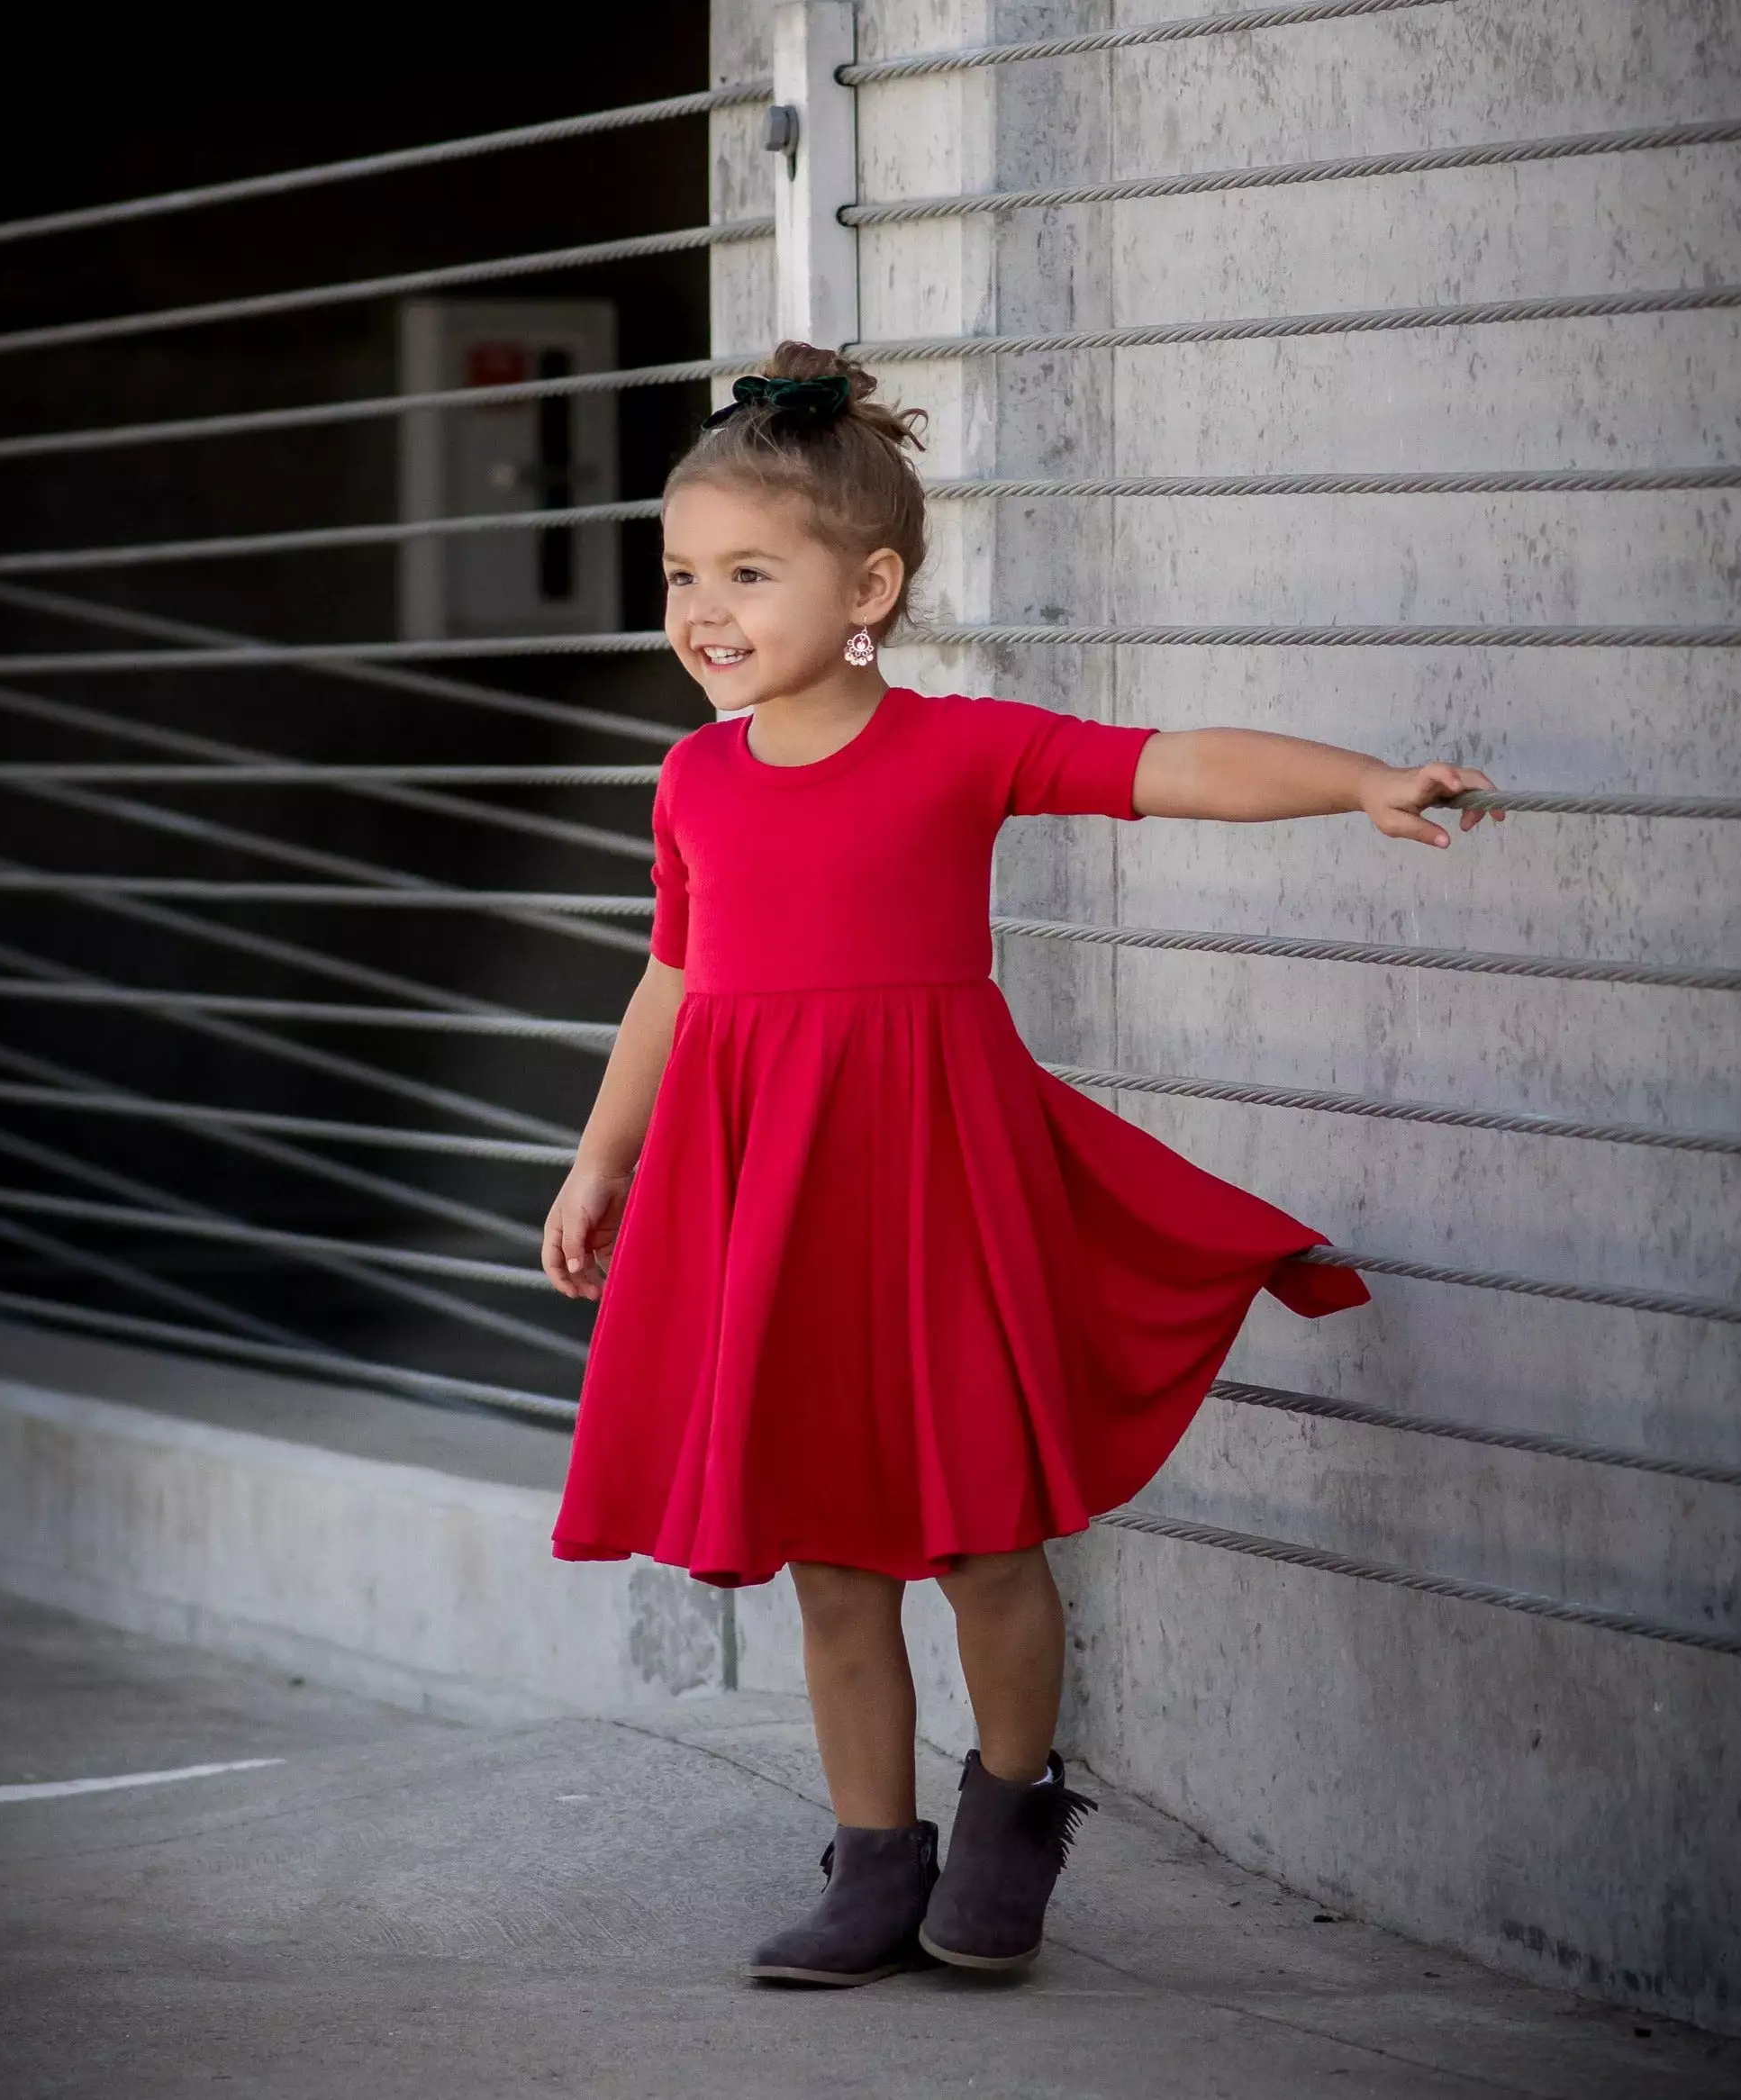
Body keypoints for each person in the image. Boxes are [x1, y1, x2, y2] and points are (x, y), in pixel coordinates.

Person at [540, 342, 1503, 1987]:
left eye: (748, 573)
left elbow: (1169, 765)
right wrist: (600, 1159)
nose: (703, 609)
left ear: (872, 585)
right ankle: (871, 1862)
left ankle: (1007, 1816)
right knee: (831, 1554)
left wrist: (1358, 785)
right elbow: (675, 977)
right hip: (773, 1199)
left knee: (986, 1537)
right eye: (682, 575)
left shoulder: (956, 748)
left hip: (931, 1193)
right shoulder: (694, 775)